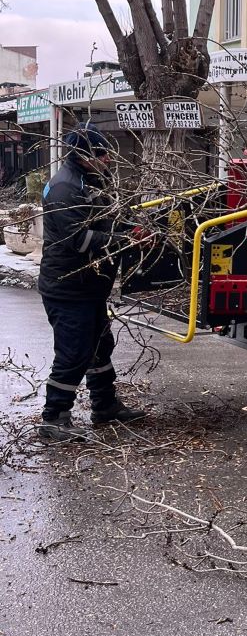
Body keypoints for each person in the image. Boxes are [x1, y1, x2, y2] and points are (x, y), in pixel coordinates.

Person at [37, 123, 146, 442]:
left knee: (100, 347)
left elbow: (110, 217)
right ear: (82, 156)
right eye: (100, 153)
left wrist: (132, 227)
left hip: (91, 287)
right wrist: (125, 240)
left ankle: (105, 405)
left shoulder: (95, 179)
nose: (108, 158)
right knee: (73, 352)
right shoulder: (65, 188)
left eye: (107, 152)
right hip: (68, 288)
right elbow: (79, 239)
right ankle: (54, 418)